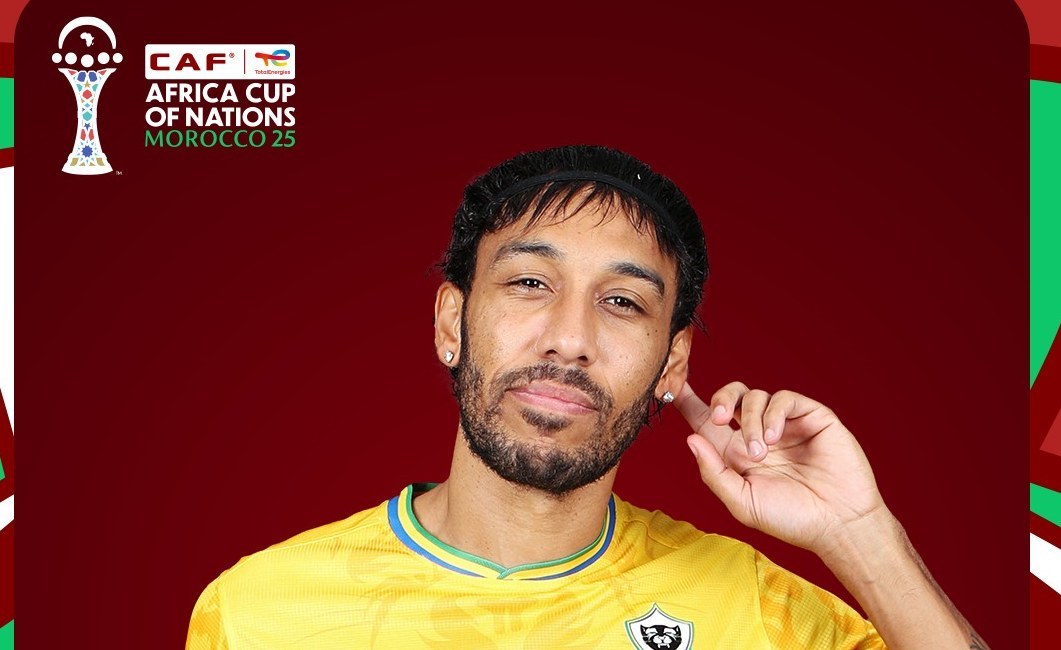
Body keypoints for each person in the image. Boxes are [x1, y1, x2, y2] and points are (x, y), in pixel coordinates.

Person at [186, 145, 987, 649]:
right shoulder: (259, 611)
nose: (569, 338)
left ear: (671, 365)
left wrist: (858, 535)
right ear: (451, 322)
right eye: (530, 283)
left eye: (622, 302)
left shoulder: (754, 610)